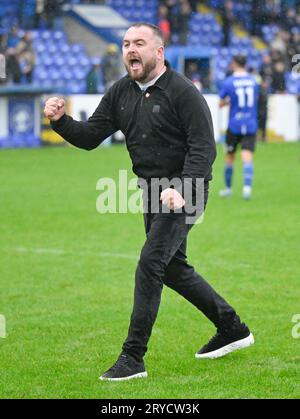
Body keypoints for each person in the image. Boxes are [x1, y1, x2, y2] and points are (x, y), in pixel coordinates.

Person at [44, 23, 254, 382]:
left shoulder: (183, 92)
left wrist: (183, 190)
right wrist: (61, 121)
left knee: (150, 263)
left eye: (139, 43)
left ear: (159, 52)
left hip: (186, 191)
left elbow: (204, 148)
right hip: (152, 191)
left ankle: (132, 358)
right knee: (171, 268)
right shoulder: (121, 91)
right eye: (126, 43)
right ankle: (232, 327)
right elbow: (91, 136)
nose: (130, 50)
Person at [219, 55, 259, 200]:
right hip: (250, 123)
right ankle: (247, 189)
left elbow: (221, 102)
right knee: (247, 157)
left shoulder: (229, 82)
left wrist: (228, 102)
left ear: (234, 63)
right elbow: (255, 99)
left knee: (230, 156)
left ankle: (228, 189)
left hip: (235, 123)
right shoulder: (253, 81)